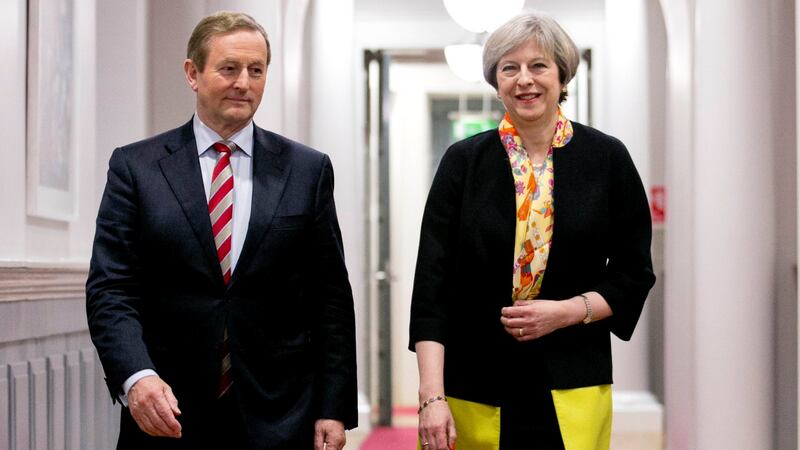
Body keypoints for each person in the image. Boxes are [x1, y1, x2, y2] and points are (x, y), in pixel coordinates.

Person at [86, 11, 357, 450]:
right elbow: (111, 288)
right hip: (167, 410)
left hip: (281, 411)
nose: (244, 83)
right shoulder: (136, 168)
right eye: (229, 69)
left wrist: (334, 405)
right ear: (193, 73)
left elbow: (330, 298)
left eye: (256, 70)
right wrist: (136, 377)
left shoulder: (307, 170)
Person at [409, 12, 656, 450]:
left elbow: (633, 274)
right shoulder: (463, 162)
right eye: (510, 68)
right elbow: (432, 287)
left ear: (562, 75)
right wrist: (431, 397)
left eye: (538, 65)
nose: (525, 80)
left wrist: (563, 312)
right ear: (496, 81)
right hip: (473, 380)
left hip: (573, 378)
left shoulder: (607, 159)